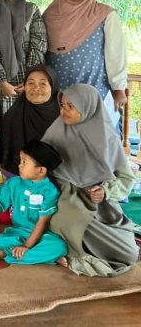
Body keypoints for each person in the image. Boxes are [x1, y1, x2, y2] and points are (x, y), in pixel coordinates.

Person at [42, 84, 139, 276]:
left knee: (128, 253)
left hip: (100, 202)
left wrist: (105, 191)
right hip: (65, 198)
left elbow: (127, 178)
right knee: (67, 222)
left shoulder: (107, 137)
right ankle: (70, 253)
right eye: (62, 105)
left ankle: (69, 252)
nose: (63, 111)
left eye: (71, 106)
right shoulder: (55, 132)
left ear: (88, 106)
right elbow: (39, 169)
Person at [43, 0, 127, 117]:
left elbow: (116, 54)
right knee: (59, 131)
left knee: (93, 130)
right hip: (57, 95)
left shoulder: (105, 15)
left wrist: (119, 88)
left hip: (94, 90)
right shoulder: (49, 16)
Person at [0, 140, 68, 266]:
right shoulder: (14, 183)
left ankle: (7, 254)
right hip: (17, 232)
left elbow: (42, 222)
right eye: (20, 161)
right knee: (0, 240)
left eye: (24, 162)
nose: (19, 165)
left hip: (40, 234)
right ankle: (46, 258)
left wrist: (26, 246)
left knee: (59, 247)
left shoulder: (50, 191)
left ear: (41, 170)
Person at [0, 65, 60, 176]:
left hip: (59, 179)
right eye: (31, 83)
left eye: (43, 83)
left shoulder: (64, 116)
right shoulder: (12, 116)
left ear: (53, 87)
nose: (36, 88)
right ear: (24, 87)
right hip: (20, 178)